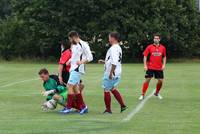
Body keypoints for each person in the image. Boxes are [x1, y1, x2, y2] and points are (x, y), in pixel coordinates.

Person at [61, 31, 93, 115]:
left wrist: (82, 62)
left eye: (70, 39)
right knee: (75, 88)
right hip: (73, 68)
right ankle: (83, 107)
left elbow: (90, 57)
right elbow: (75, 56)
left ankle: (68, 108)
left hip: (78, 69)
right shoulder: (74, 45)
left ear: (74, 37)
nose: (70, 41)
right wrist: (69, 61)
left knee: (69, 86)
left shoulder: (84, 44)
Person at [98, 32, 127, 114]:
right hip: (117, 71)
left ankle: (108, 110)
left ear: (113, 38)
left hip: (112, 72)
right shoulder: (118, 47)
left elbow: (114, 61)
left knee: (106, 89)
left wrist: (111, 73)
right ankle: (122, 105)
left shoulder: (114, 48)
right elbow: (114, 60)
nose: (108, 39)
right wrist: (104, 61)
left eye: (109, 37)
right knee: (112, 88)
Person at [139, 34, 167, 100]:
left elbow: (164, 57)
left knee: (160, 81)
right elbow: (145, 56)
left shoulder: (163, 48)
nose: (155, 39)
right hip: (150, 67)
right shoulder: (149, 47)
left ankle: (156, 93)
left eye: (157, 38)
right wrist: (145, 65)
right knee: (147, 80)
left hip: (159, 67)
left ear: (159, 39)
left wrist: (164, 65)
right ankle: (142, 94)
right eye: (155, 38)